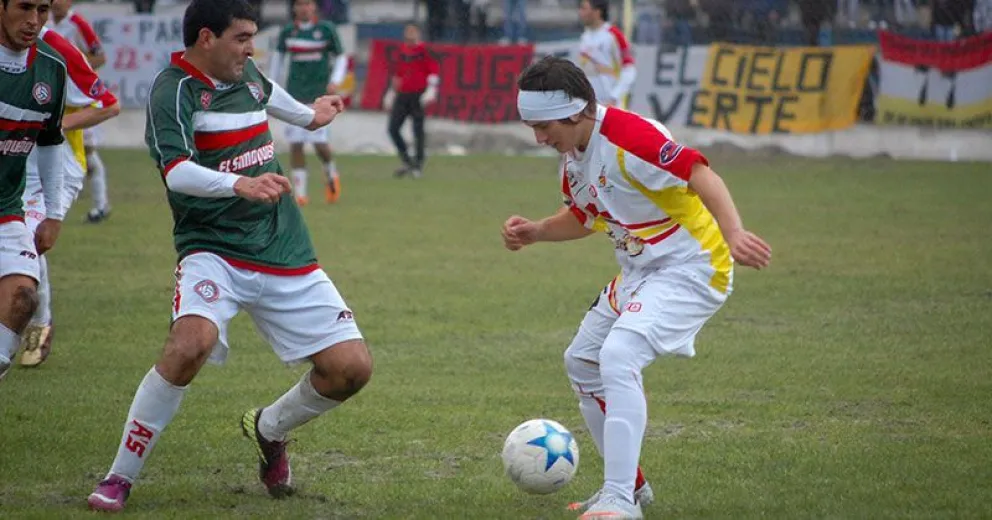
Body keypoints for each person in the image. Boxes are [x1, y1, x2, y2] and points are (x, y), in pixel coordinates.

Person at [86, 0, 373, 512]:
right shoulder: (173, 90)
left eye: (252, 37)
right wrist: (238, 183)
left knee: (351, 369)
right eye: (242, 38)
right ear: (206, 38)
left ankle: (269, 429)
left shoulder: (245, 72)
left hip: (281, 243)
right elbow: (176, 171)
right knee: (189, 345)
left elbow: (267, 91)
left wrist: (310, 117)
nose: (251, 48)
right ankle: (118, 477)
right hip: (212, 247)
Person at [501, 57, 772, 519]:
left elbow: (701, 173)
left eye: (544, 126)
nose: (540, 138)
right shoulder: (574, 160)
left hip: (693, 267)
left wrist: (734, 232)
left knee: (619, 355)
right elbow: (588, 216)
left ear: (576, 111)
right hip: (640, 273)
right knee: (582, 361)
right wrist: (537, 231)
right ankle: (631, 487)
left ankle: (619, 500)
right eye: (533, 128)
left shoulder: (628, 137)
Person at [17, 20, 120, 367]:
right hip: (12, 164)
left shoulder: (58, 48)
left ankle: (39, 323)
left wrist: (55, 125)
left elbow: (109, 105)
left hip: (58, 166)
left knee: (29, 239)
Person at [0, 0, 66, 380]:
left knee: (24, 298)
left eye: (42, 10)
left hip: (7, 208)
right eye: (24, 7)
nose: (34, 21)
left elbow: (51, 140)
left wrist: (53, 214)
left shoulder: (52, 67)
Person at [269, 0, 348, 206]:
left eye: (308, 3)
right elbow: (278, 60)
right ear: (294, 8)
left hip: (319, 97)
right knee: (296, 144)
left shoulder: (326, 29)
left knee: (320, 145)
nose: (304, 8)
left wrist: (335, 81)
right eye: (300, 4)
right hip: (294, 96)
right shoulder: (288, 32)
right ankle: (301, 194)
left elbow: (341, 57)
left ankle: (331, 173)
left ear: (314, 7)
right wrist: (272, 87)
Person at [48, 0, 111, 223]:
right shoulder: (44, 21)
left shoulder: (78, 24)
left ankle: (100, 205)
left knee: (88, 151)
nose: (57, 3)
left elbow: (100, 57)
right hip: (55, 95)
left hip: (78, 97)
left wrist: (73, 66)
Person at [382, 23, 438, 179]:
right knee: (393, 128)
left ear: (418, 33)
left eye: (413, 31)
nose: (410, 34)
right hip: (403, 95)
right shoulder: (402, 51)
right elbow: (398, 73)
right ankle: (407, 160)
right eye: (408, 31)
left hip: (418, 95)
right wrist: (391, 93)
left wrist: (431, 90)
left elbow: (433, 70)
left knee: (417, 130)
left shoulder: (424, 50)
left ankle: (418, 165)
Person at [576, 0, 636, 109]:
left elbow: (629, 70)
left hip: (611, 105)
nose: (580, 13)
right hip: (590, 105)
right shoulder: (584, 37)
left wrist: (614, 96)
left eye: (584, 8)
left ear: (597, 12)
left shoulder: (613, 35)